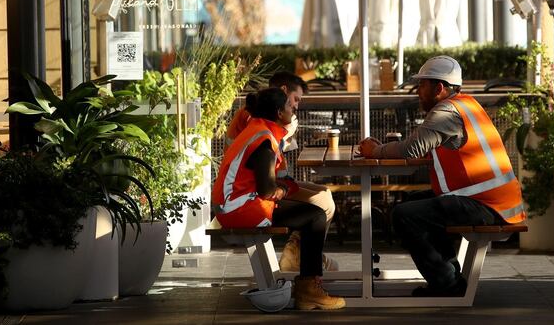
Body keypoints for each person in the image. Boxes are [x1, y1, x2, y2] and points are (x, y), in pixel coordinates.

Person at [358, 55, 526, 297]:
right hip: (491, 200)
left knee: (406, 215)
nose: (418, 91)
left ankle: (447, 285)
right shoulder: (466, 104)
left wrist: (375, 151)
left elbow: (411, 149)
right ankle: (447, 277)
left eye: (422, 85)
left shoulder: (446, 111)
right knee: (411, 205)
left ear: (439, 88)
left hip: (486, 205)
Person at [213, 88, 345, 310]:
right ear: (278, 112)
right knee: (315, 217)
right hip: (241, 209)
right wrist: (284, 190)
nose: (293, 107)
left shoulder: (259, 130)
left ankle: (307, 281)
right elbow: (267, 191)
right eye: (288, 105)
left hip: (234, 205)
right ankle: (309, 290)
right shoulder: (264, 140)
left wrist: (285, 187)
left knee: (312, 213)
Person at [226, 72, 338, 273]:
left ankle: (299, 255)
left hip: (256, 189)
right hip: (249, 196)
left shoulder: (259, 114)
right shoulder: (257, 117)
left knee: (324, 194)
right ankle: (299, 258)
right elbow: (264, 155)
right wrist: (287, 133)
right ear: (283, 97)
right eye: (295, 100)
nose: (296, 106)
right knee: (322, 202)